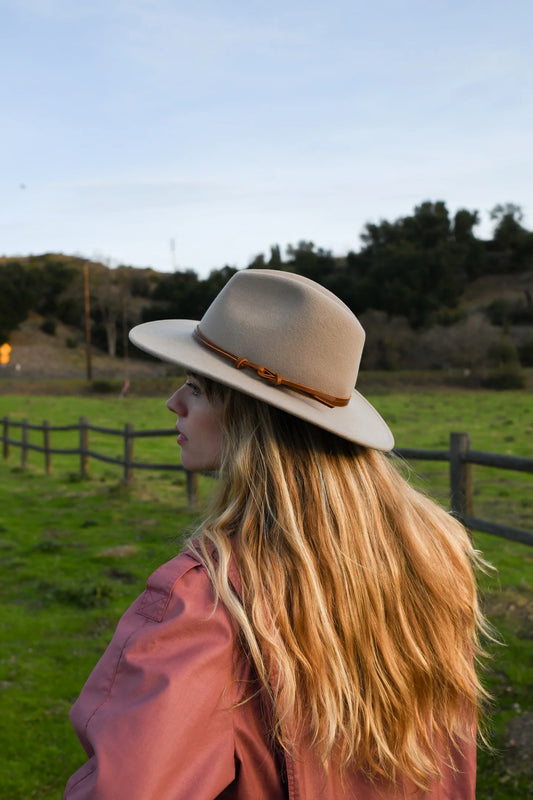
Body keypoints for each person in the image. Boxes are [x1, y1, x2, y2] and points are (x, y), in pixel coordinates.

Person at [64, 269, 489, 799]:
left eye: (196, 388)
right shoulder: (433, 556)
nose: (174, 402)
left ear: (249, 419)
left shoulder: (209, 600)